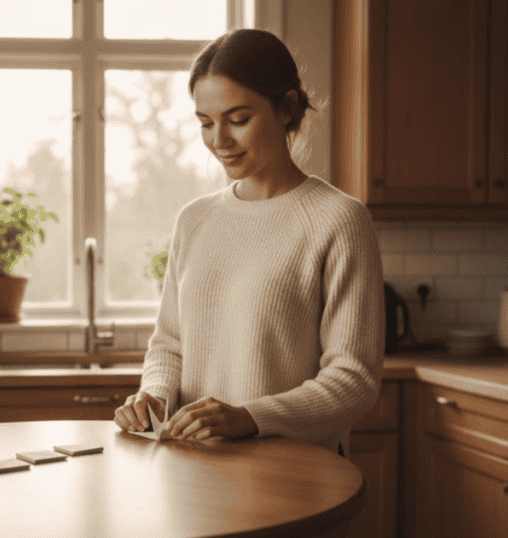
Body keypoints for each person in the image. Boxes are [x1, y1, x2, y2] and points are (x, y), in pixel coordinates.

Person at [113, 28, 384, 455]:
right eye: (206, 123)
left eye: (238, 120)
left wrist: (250, 418)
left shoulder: (340, 220)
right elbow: (169, 345)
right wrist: (154, 398)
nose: (219, 142)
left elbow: (353, 380)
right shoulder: (194, 220)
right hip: (196, 471)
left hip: (297, 473)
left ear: (287, 108)